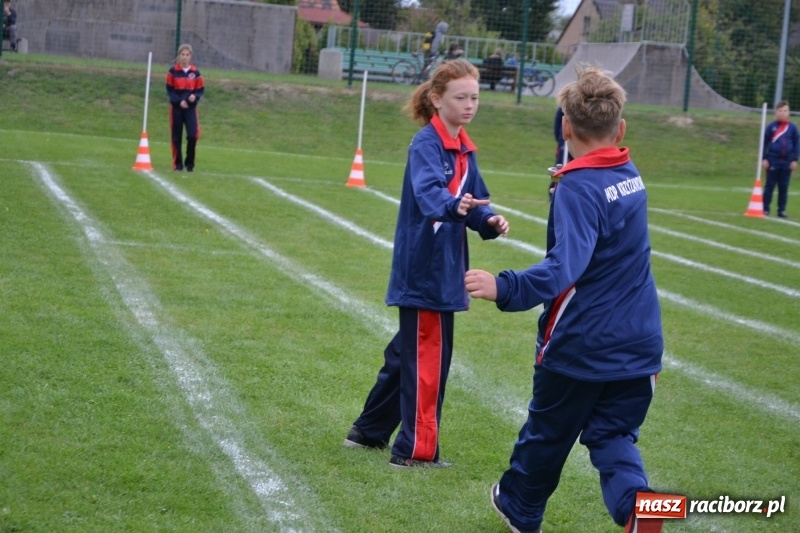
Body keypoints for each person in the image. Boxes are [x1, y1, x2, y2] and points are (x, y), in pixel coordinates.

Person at [465, 67, 664, 533]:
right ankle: (644, 510)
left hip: (583, 340)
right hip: (641, 342)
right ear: (621, 130)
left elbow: (564, 268)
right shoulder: (628, 173)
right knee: (613, 435)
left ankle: (519, 506)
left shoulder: (578, 185)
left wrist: (505, 286)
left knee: (548, 433)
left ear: (565, 127)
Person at [343, 60, 509, 468]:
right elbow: (431, 195)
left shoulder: (464, 148)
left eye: (475, 98)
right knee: (428, 360)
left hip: (444, 269)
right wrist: (457, 207)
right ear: (436, 99)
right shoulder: (426, 144)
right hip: (425, 271)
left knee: (408, 355)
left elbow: (473, 202)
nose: (469, 105)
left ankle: (368, 432)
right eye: (461, 97)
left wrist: (488, 221)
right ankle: (415, 451)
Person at [166, 43, 205, 172]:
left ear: (190, 56)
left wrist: (195, 96)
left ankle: (189, 164)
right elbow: (170, 90)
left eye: (187, 55)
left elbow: (200, 89)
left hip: (190, 109)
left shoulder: (195, 72)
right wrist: (178, 102)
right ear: (179, 55)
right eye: (183, 54)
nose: (185, 57)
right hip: (176, 109)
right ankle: (177, 165)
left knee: (193, 135)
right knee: (176, 136)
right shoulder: (172, 71)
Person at [761, 100, 799, 218]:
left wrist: (795, 159)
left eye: (785, 111)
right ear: (776, 112)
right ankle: (765, 208)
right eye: (780, 110)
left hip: (787, 161)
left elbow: (797, 144)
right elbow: (764, 143)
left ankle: (781, 210)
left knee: (784, 186)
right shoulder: (771, 127)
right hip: (773, 160)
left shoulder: (792, 128)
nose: (783, 113)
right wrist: (764, 158)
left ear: (789, 112)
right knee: (770, 185)